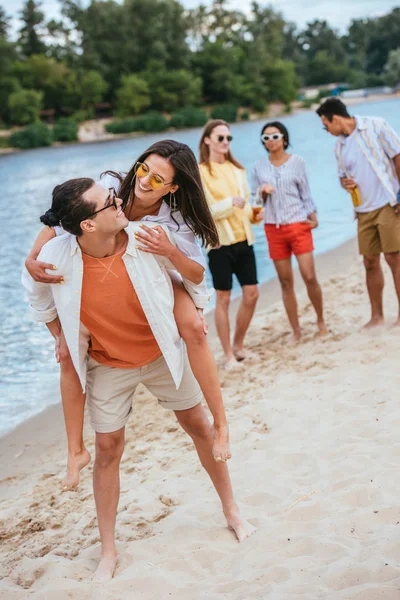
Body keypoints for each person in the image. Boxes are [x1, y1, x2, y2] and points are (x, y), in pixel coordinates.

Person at [22, 178, 256, 582]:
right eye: (108, 202)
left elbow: (192, 277)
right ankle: (108, 550)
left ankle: (231, 509)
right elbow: (40, 303)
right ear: (87, 226)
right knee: (109, 448)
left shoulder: (148, 238)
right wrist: (61, 337)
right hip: (107, 363)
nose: (119, 202)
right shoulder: (55, 257)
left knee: (198, 424)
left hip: (161, 353)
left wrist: (192, 313)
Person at [25, 140, 229, 491]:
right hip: (117, 277)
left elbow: (196, 273)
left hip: (163, 274)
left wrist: (170, 253)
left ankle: (222, 424)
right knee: (68, 350)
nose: (144, 181)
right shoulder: (111, 191)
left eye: (156, 180)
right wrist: (32, 260)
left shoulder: (172, 222)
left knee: (194, 327)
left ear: (172, 188)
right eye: (142, 170)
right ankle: (75, 450)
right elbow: (61, 221)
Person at [316, 97, 400, 328]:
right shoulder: (339, 147)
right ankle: (377, 316)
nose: (327, 131)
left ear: (335, 118)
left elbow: (397, 156)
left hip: (387, 203)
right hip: (362, 211)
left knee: (394, 259)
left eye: (326, 125)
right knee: (370, 262)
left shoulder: (376, 125)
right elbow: (343, 177)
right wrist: (344, 184)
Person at [251, 121, 327, 342]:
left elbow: (305, 193)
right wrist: (262, 193)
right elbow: (255, 204)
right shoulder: (258, 168)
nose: (271, 141)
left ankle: (321, 320)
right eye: (266, 138)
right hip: (273, 229)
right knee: (285, 282)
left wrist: (313, 217)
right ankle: (296, 330)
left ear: (284, 138)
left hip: (298, 224)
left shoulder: (298, 163)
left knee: (309, 275)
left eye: (275, 136)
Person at [199, 120, 263, 370]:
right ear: (207, 140)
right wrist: (229, 204)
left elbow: (246, 204)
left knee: (252, 294)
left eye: (228, 138)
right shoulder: (201, 172)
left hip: (244, 240)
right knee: (223, 299)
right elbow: (204, 213)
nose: (225, 143)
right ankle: (227, 355)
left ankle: (238, 344)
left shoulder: (238, 170)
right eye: (220, 138)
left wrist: (255, 216)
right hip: (219, 246)